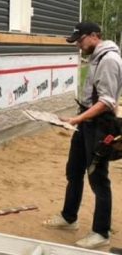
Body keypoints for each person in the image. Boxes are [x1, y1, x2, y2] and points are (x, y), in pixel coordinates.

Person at [43, 21, 122, 249]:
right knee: (74, 170)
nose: (78, 45)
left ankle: (101, 232)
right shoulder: (96, 57)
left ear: (94, 36)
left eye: (80, 40)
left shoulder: (108, 60)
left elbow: (107, 101)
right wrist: (79, 119)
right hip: (86, 123)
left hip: (100, 126)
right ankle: (69, 218)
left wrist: (77, 119)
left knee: (98, 177)